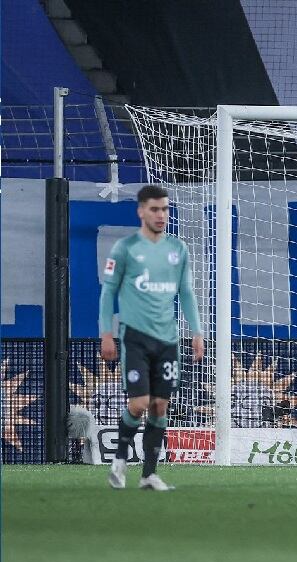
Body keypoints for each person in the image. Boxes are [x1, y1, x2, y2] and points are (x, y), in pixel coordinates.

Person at [100, 185, 204, 490]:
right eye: (155, 209)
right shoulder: (125, 248)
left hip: (167, 339)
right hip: (134, 337)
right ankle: (119, 460)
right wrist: (106, 333)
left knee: (160, 405)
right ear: (141, 211)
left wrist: (196, 332)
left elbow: (186, 292)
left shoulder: (178, 249)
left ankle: (148, 474)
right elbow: (109, 294)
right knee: (139, 403)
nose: (161, 215)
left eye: (165, 209)